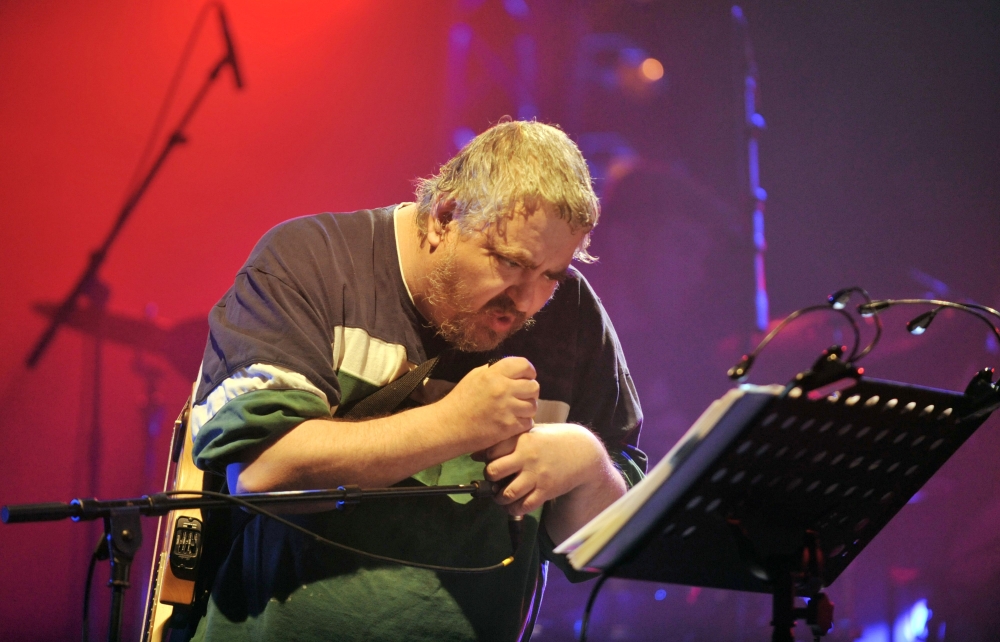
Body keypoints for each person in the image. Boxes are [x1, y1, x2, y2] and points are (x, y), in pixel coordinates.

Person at [187, 120, 646, 641]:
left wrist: (588, 466)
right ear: (444, 217)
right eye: (511, 263)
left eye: (550, 275)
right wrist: (455, 424)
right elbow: (261, 470)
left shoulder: (576, 317)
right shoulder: (313, 260)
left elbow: (608, 546)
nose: (526, 301)